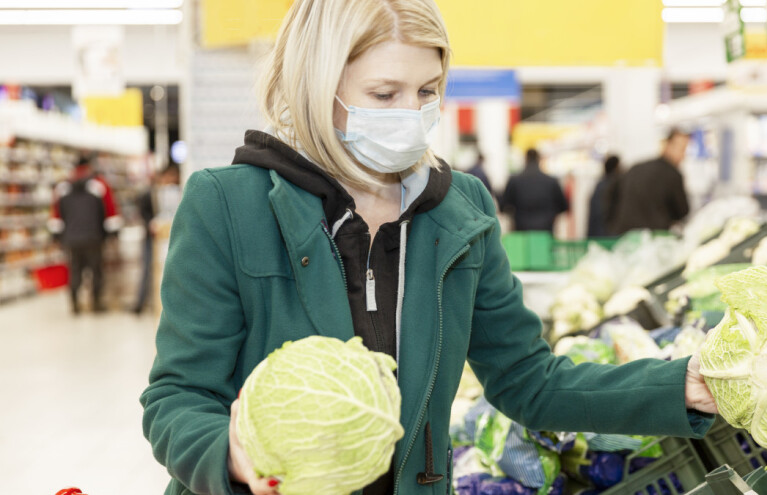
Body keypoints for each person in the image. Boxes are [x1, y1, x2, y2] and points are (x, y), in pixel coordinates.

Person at [139, 2, 717, 495]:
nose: (410, 115)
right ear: (317, 86)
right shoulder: (227, 205)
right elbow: (179, 395)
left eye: (427, 92)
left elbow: (528, 380)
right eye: (383, 92)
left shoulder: (460, 209)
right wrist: (235, 458)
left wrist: (675, 385)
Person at [48, 154, 121, 314]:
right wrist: (113, 234)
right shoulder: (100, 185)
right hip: (94, 237)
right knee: (96, 271)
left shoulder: (62, 187)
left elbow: (56, 215)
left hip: (71, 238)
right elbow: (111, 211)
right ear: (89, 166)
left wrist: (55, 236)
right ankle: (96, 303)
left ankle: (74, 304)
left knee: (75, 270)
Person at [611, 129, 691, 234]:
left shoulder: (636, 167)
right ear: (668, 146)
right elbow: (683, 211)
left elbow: (613, 198)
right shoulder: (673, 174)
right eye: (682, 149)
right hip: (654, 237)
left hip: (623, 235)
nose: (683, 156)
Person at [132, 164, 181, 315]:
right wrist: (151, 225)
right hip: (152, 237)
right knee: (148, 268)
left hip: (170, 236)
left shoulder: (179, 192)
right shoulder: (151, 194)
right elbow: (144, 213)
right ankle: (141, 303)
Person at [499, 148, 569, 232]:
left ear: (526, 159)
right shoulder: (551, 181)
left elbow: (503, 205)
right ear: (539, 159)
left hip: (521, 230)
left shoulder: (514, 180)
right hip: (546, 229)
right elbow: (563, 206)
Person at [587, 155, 621, 238]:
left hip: (598, 233)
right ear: (616, 166)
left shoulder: (600, 184)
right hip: (607, 235)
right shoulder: (614, 185)